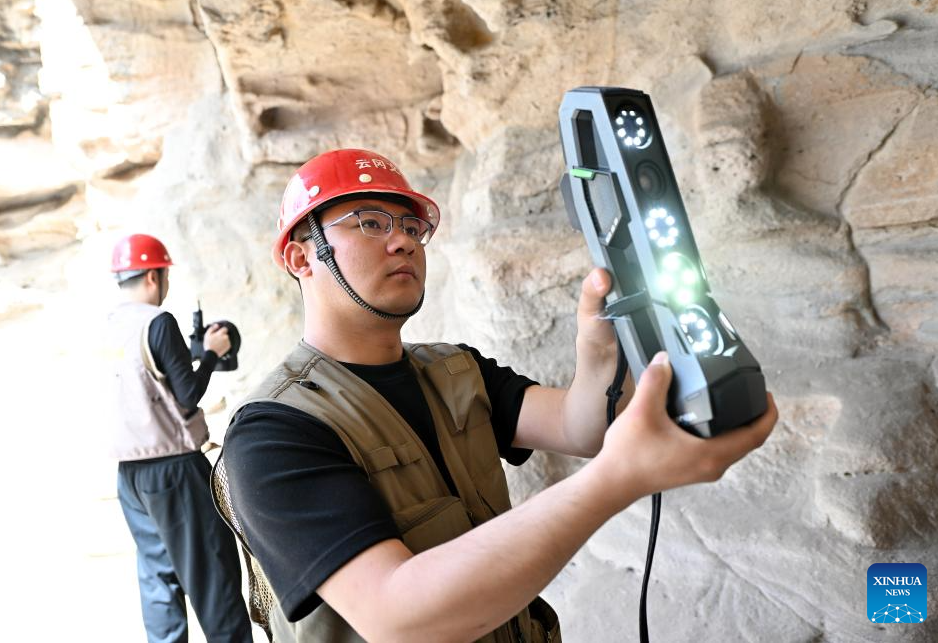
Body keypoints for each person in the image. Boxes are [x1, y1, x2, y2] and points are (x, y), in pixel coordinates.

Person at [216, 149, 778, 642]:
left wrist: (600, 347)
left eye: (412, 226)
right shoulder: (274, 432)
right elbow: (398, 617)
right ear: (301, 258)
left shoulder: (454, 369)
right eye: (369, 222)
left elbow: (581, 427)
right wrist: (618, 478)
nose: (402, 240)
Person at [106, 233, 254, 643]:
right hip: (175, 471)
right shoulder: (158, 321)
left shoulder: (112, 325)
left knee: (158, 582)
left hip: (131, 476)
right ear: (154, 276)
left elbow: (150, 377)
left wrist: (191, 353)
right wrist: (211, 352)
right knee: (213, 578)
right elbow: (187, 395)